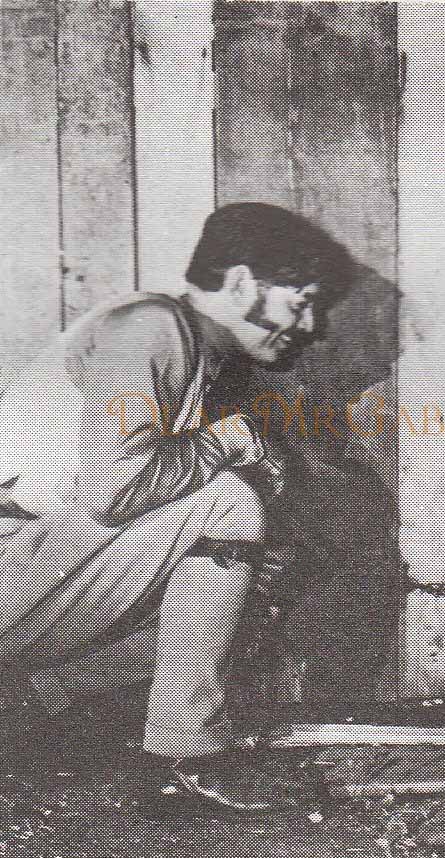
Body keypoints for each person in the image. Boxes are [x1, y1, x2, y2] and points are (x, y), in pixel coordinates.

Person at [0, 203, 352, 813]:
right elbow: (116, 489)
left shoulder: (194, 345)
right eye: (301, 303)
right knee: (229, 504)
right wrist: (228, 442)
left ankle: (162, 745)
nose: (311, 326)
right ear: (240, 283)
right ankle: (185, 754)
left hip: (33, 561)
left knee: (238, 527)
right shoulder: (149, 325)